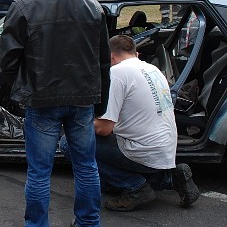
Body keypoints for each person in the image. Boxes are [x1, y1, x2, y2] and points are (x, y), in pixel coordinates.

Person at [0, 0, 111, 227]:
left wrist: (8, 93)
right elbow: (103, 62)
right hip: (82, 99)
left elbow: (7, 60)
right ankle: (88, 222)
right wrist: (101, 102)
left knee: (39, 172)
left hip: (41, 98)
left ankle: (37, 225)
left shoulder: (24, 6)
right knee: (86, 167)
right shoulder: (93, 7)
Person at [61, 35, 199, 213]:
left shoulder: (117, 74)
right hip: (165, 150)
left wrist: (76, 120)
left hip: (142, 150)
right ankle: (170, 179)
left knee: (69, 142)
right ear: (136, 53)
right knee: (106, 174)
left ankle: (135, 187)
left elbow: (104, 129)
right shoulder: (153, 69)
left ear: (110, 57)